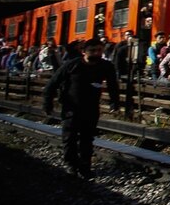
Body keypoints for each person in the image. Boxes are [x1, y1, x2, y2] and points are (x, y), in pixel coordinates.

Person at [42, 37, 120, 180]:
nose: (97, 53)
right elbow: (52, 83)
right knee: (69, 137)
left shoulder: (106, 66)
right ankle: (71, 164)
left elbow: (113, 85)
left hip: (91, 108)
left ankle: (85, 166)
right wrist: (47, 103)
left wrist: (114, 103)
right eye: (92, 51)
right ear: (83, 51)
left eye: (100, 50)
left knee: (87, 138)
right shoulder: (72, 65)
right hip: (71, 107)